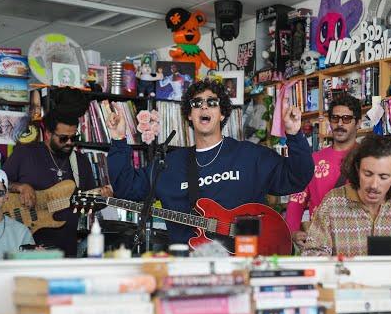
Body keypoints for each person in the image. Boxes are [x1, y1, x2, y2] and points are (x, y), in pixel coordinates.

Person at [107, 78, 314, 250]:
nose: (203, 106)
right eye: (196, 104)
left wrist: (294, 135)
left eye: (212, 102)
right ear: (189, 114)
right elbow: (126, 188)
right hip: (191, 268)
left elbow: (296, 177)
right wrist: (118, 140)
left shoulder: (249, 155)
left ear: (222, 113)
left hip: (248, 258)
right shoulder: (169, 165)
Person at [3, 100, 111, 257]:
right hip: (25, 246)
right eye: (63, 138)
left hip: (66, 248)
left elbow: (84, 205)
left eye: (74, 137)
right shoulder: (25, 153)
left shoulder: (80, 162)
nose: (69, 143)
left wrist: (101, 201)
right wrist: (21, 187)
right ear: (47, 134)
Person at [302, 134, 391, 257]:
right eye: (368, 174)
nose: (374, 185)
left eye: (383, 177)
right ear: (357, 169)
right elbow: (311, 254)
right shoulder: (333, 202)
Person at [286, 94, 361, 250]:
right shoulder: (312, 160)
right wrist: (293, 232)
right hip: (319, 241)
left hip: (358, 239)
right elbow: (297, 199)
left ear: (358, 123)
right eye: (335, 118)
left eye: (347, 119)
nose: (340, 123)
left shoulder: (368, 158)